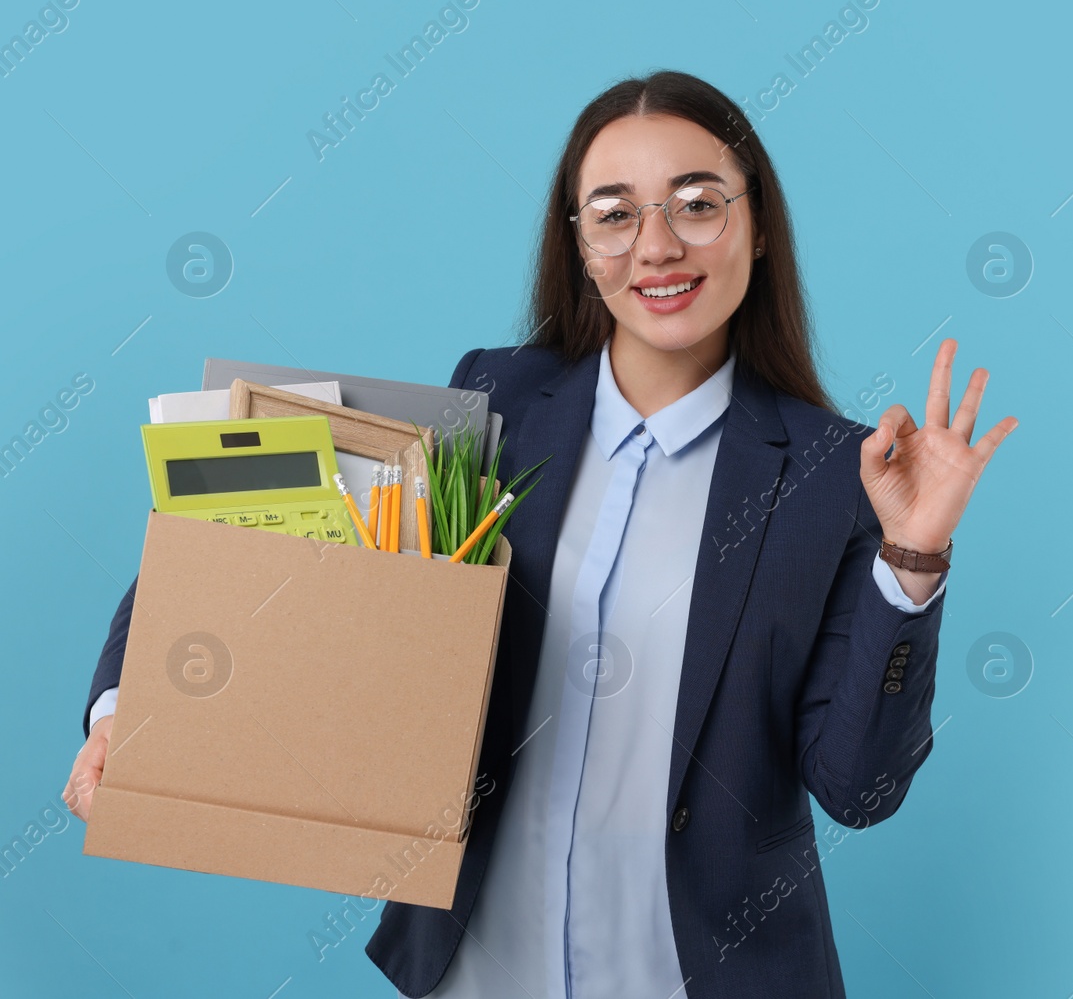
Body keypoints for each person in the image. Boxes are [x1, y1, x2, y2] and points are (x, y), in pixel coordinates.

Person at [65, 69, 1018, 998]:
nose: (656, 246)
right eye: (613, 212)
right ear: (579, 245)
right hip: (477, 969)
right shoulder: (497, 401)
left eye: (696, 203)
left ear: (757, 225)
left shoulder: (838, 477)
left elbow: (860, 788)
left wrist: (915, 556)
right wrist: (123, 709)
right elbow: (265, 540)